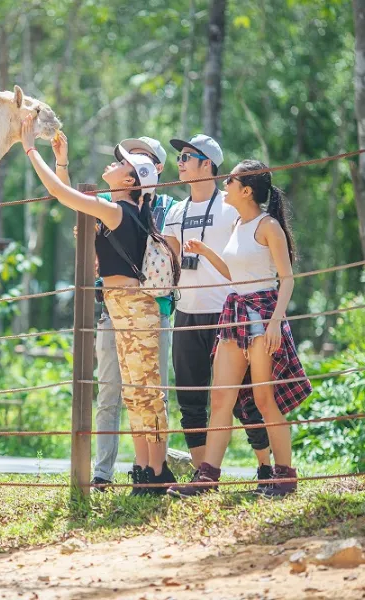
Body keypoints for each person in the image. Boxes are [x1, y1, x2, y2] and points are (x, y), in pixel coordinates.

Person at [22, 116, 180, 495]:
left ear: (130, 181)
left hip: (133, 306)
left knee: (146, 391)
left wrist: (30, 149)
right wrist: (62, 161)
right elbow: (68, 194)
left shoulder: (118, 211)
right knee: (134, 391)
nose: (114, 161)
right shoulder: (120, 207)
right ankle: (145, 470)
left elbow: (62, 195)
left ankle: (157, 471)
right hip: (121, 305)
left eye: (122, 162)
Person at [168, 160, 311, 498]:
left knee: (264, 398)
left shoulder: (268, 226)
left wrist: (276, 321)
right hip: (235, 313)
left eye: (230, 179)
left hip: (262, 314)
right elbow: (233, 274)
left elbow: (286, 278)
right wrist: (205, 252)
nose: (225, 183)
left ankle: (285, 477)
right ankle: (207, 477)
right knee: (221, 397)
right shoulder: (236, 224)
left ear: (246, 190)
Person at [161, 135, 273, 487]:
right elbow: (169, 261)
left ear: (207, 164)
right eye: (178, 157)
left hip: (228, 312)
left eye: (186, 157)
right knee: (190, 398)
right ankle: (203, 475)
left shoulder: (231, 205)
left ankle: (266, 467)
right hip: (187, 312)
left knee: (246, 399)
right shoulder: (175, 211)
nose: (179, 162)